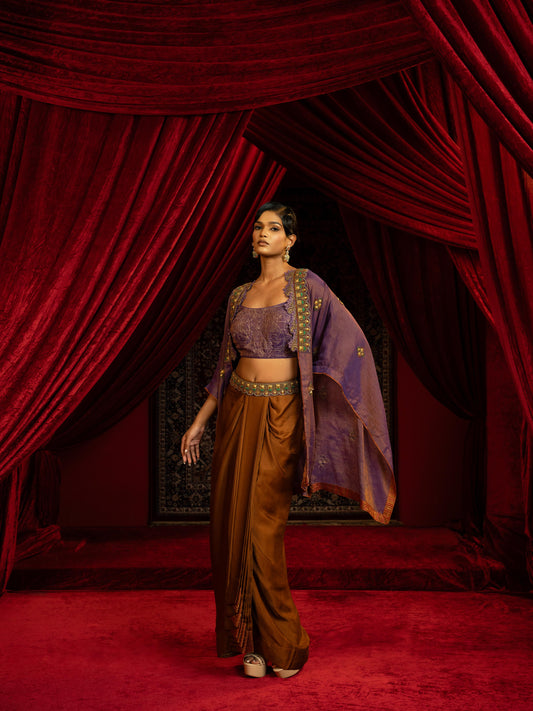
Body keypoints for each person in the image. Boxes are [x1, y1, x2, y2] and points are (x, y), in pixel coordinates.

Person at [181, 202, 395, 680]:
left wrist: (329, 401)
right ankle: (251, 645)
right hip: (238, 411)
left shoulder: (306, 287)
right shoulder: (239, 295)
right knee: (231, 524)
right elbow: (224, 366)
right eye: (258, 227)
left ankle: (285, 642)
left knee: (262, 525)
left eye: (274, 228)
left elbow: (347, 345)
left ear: (290, 240)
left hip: (283, 414)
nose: (263, 233)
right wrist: (199, 422)